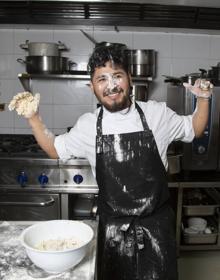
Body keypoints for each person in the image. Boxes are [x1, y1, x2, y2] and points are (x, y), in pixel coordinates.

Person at [9, 43, 213, 280]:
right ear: (92, 87)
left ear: (130, 79)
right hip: (113, 233)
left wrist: (204, 99)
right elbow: (55, 149)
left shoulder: (157, 115)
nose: (111, 86)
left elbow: (194, 129)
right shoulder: (87, 125)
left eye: (117, 76)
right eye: (101, 79)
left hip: (157, 230)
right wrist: (33, 118)